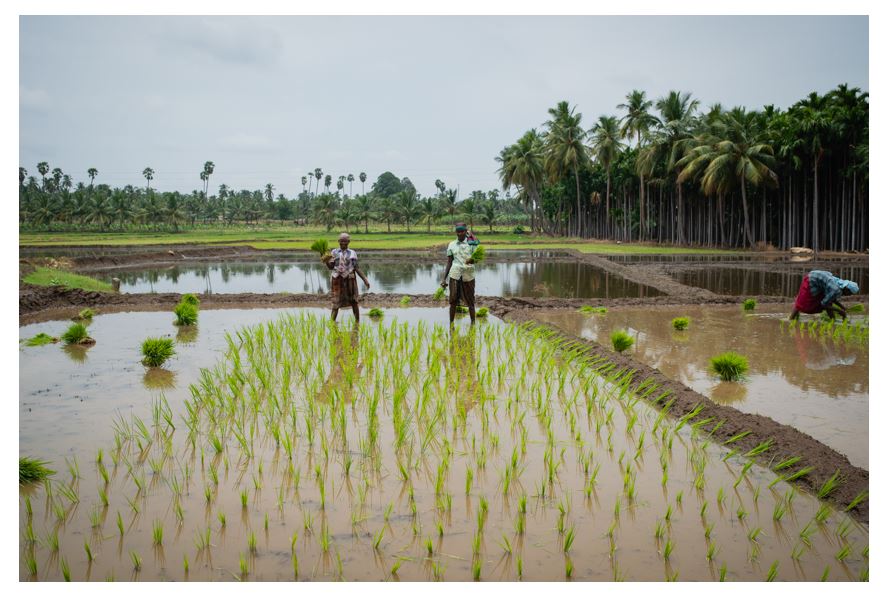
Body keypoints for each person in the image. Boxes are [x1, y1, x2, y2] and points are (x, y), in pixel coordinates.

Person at [326, 233, 370, 323]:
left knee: (354, 301)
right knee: (336, 303)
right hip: (337, 280)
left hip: (350, 279)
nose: (343, 243)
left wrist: (365, 280)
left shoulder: (352, 253)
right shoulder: (334, 252)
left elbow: (356, 267)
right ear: (338, 241)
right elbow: (330, 267)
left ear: (348, 242)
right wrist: (326, 261)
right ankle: (331, 323)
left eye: (345, 241)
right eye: (341, 241)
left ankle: (357, 323)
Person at [440, 223, 478, 326]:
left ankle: (473, 325)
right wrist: (444, 278)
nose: (460, 233)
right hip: (455, 275)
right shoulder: (452, 244)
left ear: (466, 232)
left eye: (462, 231)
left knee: (471, 302)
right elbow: (449, 262)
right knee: (452, 301)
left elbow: (477, 259)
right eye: (458, 231)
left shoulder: (472, 244)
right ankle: (451, 325)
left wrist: (472, 260)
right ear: (456, 232)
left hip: (468, 275)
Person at [789, 270, 859, 321]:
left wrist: (842, 307)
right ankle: (791, 319)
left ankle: (832, 320)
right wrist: (839, 311)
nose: (848, 295)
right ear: (846, 289)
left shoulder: (839, 285)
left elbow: (832, 298)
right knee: (804, 302)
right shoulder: (836, 289)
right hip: (811, 280)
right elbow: (824, 304)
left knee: (829, 302)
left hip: (816, 276)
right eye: (850, 293)